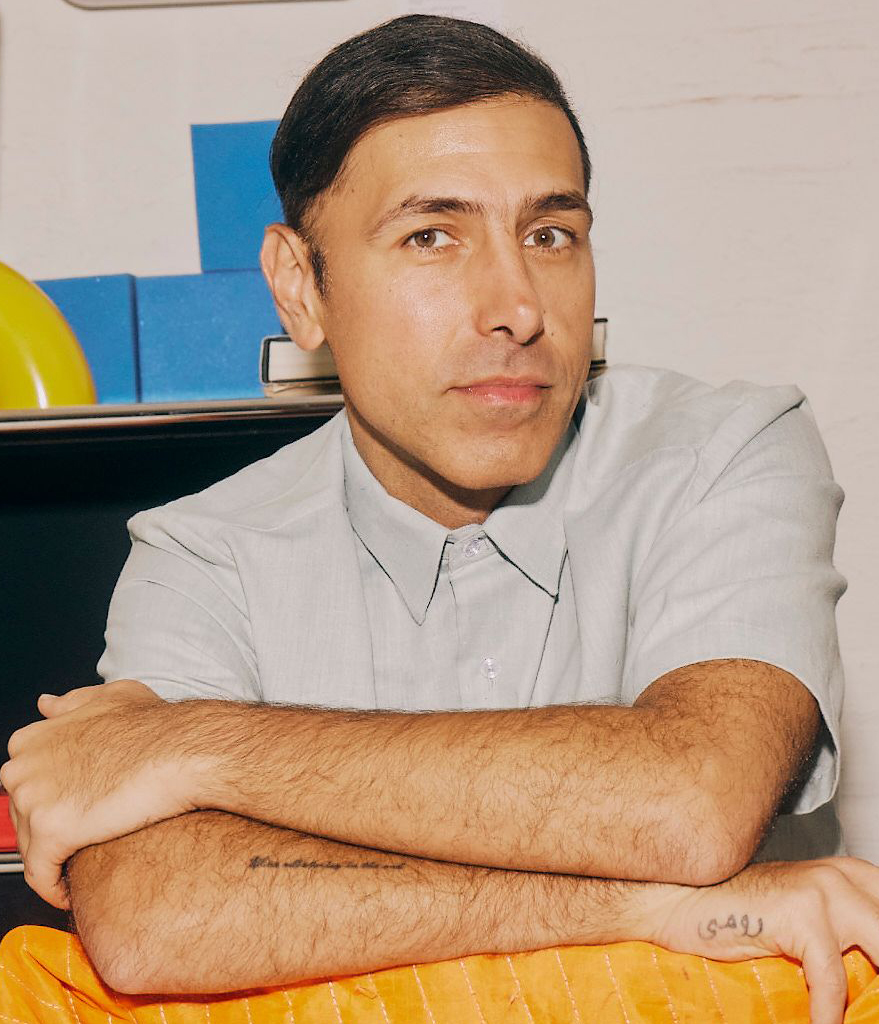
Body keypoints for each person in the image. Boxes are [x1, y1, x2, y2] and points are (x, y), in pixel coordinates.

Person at [2, 15, 874, 1024]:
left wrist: (197, 746)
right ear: (300, 287)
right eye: (431, 235)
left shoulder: (725, 449)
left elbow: (689, 801)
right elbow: (159, 916)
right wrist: (643, 904)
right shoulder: (201, 550)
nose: (516, 306)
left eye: (551, 233)